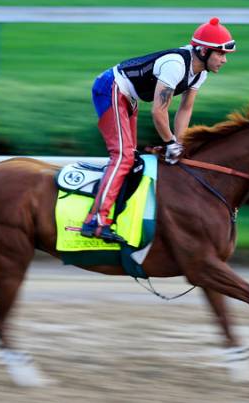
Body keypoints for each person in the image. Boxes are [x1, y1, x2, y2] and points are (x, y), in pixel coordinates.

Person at [81, 17, 236, 242]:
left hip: (127, 96)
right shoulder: (176, 65)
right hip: (110, 88)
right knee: (123, 156)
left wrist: (180, 145)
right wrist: (170, 143)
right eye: (221, 54)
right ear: (203, 51)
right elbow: (158, 112)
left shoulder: (200, 73)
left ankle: (112, 216)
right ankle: (95, 220)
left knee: (132, 160)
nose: (224, 60)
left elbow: (185, 110)